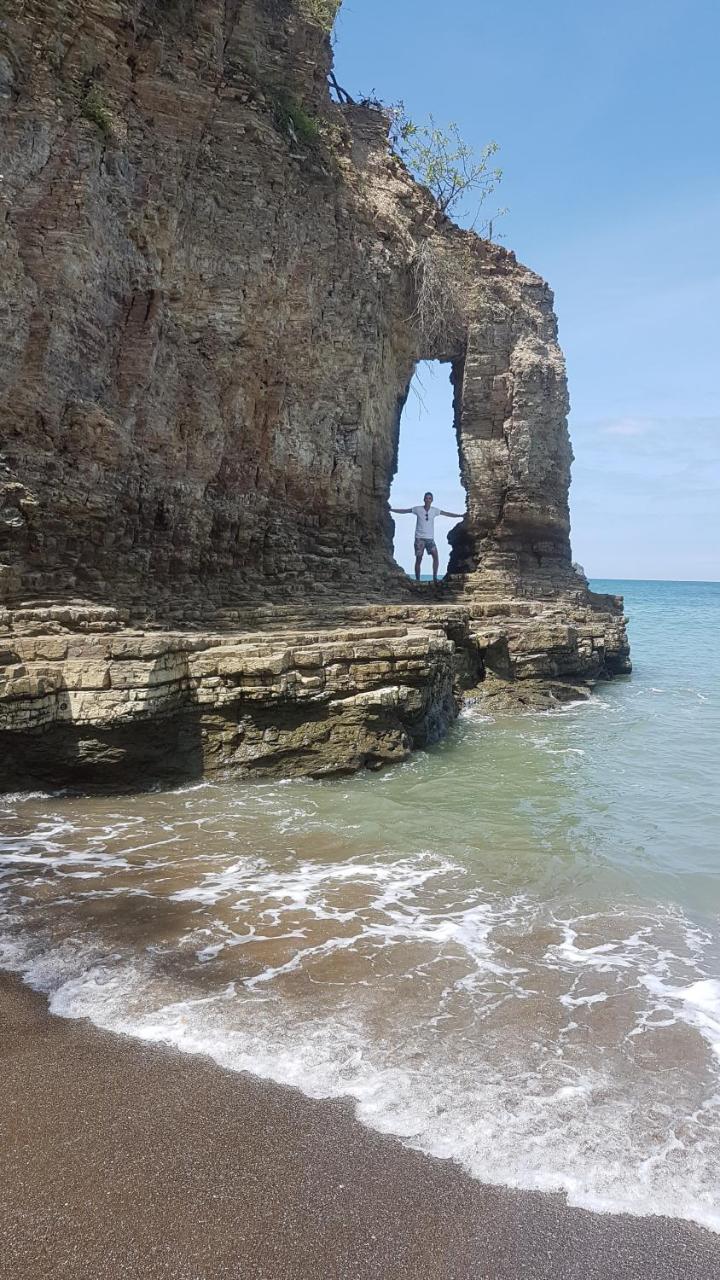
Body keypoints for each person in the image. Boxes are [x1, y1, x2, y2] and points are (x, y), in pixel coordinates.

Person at [390, 492, 464, 584]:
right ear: (424, 499)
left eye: (429, 498)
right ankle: (417, 580)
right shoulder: (417, 509)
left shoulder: (435, 510)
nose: (428, 500)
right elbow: (405, 511)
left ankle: (434, 578)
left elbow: (447, 514)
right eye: (426, 498)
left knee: (436, 557)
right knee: (419, 559)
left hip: (430, 539)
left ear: (432, 500)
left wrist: (460, 515)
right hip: (419, 538)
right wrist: (392, 510)